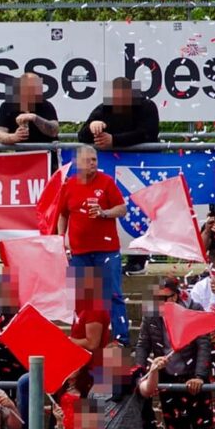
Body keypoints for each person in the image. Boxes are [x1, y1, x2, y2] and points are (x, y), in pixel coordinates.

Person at [136, 277, 215, 429]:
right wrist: (139, 372)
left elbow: (204, 344)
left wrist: (199, 376)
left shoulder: (194, 309)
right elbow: (143, 345)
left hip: (192, 378)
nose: (161, 303)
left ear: (177, 295)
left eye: (166, 298)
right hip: (168, 379)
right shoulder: (151, 314)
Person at [58, 145, 130, 344]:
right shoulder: (68, 186)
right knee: (80, 297)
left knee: (113, 293)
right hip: (78, 252)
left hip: (106, 251)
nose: (93, 163)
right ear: (78, 162)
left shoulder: (106, 182)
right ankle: (80, 336)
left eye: (95, 159)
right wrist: (61, 238)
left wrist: (104, 213)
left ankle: (121, 338)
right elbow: (63, 214)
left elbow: (122, 209)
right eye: (88, 160)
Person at [77, 76, 161, 151]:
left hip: (143, 158)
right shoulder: (104, 108)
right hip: (111, 159)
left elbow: (147, 134)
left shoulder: (147, 106)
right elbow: (82, 137)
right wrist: (91, 127)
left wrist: (114, 140)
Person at [0, 72, 60, 146]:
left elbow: (54, 131)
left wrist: (35, 118)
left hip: (46, 151)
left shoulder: (46, 105)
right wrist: (14, 137)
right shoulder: (7, 106)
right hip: (22, 152)